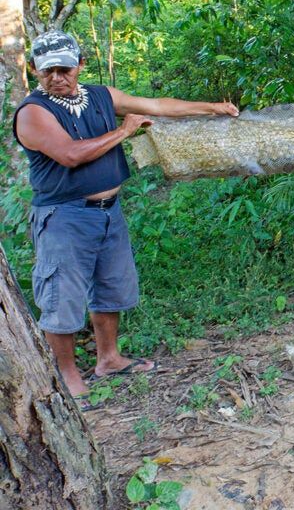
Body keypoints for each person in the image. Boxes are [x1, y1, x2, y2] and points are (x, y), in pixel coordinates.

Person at [12, 30, 238, 406]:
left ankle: (109, 359)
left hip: (107, 212)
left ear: (80, 65)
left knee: (110, 287)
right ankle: (66, 377)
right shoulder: (34, 112)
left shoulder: (101, 96)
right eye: (47, 70)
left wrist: (212, 107)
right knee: (61, 297)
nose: (57, 77)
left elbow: (157, 105)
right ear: (34, 69)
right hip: (64, 217)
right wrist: (124, 131)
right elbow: (70, 155)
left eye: (65, 68)